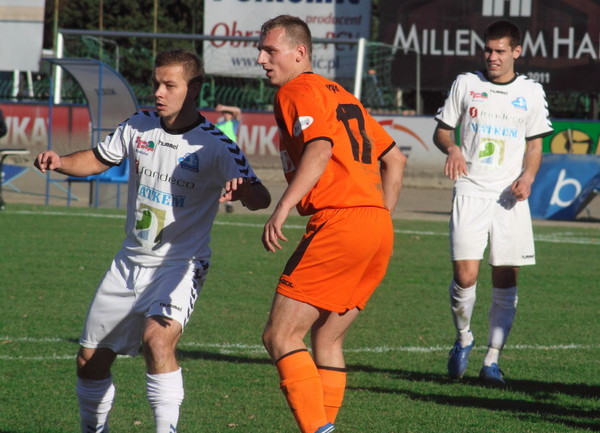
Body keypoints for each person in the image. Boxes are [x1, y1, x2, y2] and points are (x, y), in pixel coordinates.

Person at [34, 49, 271, 433]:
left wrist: (243, 189)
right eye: (156, 83)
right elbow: (98, 158)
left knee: (157, 341)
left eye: (169, 85)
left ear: (194, 88)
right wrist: (61, 162)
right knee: (90, 362)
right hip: (129, 262)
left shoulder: (216, 145)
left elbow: (261, 197)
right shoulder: (138, 125)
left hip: (179, 265)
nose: (159, 92)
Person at [257, 15, 406, 433]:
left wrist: (283, 207)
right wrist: (377, 215)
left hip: (340, 220)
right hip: (376, 225)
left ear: (299, 53)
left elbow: (319, 149)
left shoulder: (295, 90)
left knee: (280, 336)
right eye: (261, 50)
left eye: (270, 50)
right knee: (327, 339)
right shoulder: (340, 93)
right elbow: (395, 159)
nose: (261, 59)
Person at [433, 20, 553, 386]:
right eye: (488, 49)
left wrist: (528, 177)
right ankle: (463, 337)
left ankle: (492, 360)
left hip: (508, 197)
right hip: (470, 190)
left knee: (505, 275)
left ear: (516, 51)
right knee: (465, 275)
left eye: (500, 51)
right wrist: (453, 148)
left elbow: (535, 145)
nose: (492, 57)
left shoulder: (530, 92)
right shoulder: (466, 84)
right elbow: (442, 130)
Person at [215, 104, 243, 213]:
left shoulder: (233, 123)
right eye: (226, 113)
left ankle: (229, 202)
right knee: (217, 178)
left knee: (229, 179)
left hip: (230, 154)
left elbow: (238, 110)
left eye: (229, 113)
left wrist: (224, 108)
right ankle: (216, 202)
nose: (227, 115)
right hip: (219, 154)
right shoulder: (218, 125)